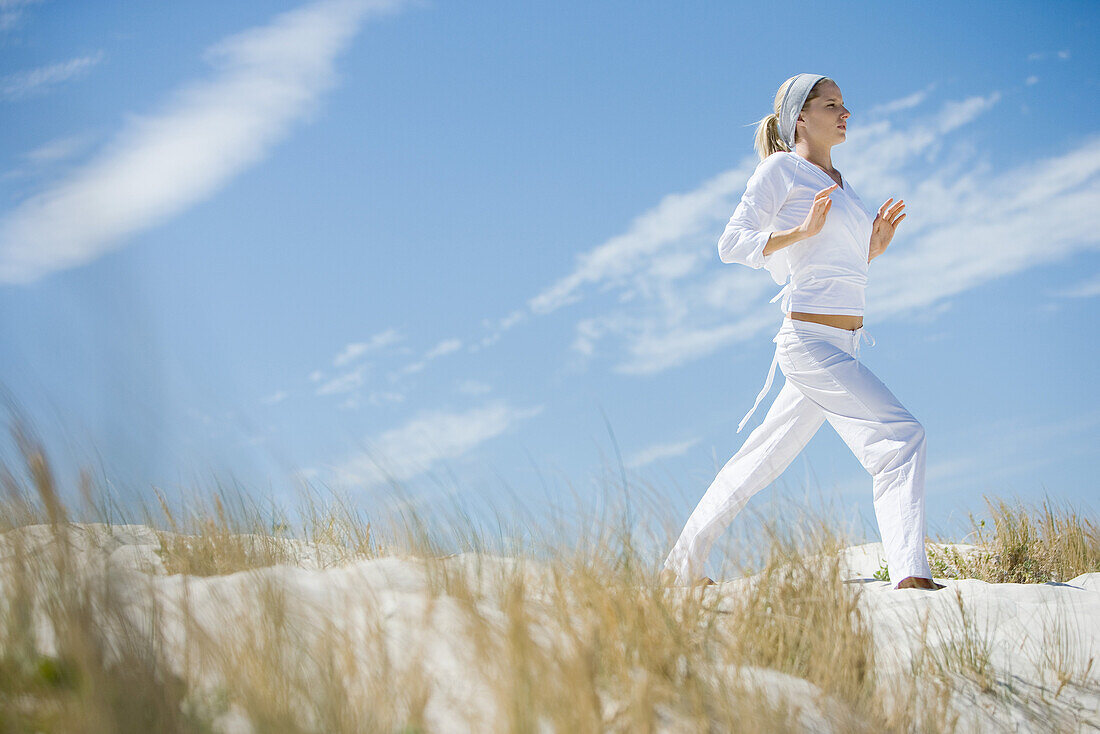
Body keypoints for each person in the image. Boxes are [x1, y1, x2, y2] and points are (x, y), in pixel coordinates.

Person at [660, 74, 944, 591]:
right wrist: (799, 232)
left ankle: (680, 568)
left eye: (844, 104)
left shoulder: (843, 185)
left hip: (842, 345)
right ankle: (911, 577)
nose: (845, 113)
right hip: (809, 343)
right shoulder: (782, 170)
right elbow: (731, 242)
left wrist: (872, 248)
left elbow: (834, 264)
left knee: (755, 463)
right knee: (902, 437)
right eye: (832, 104)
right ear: (800, 118)